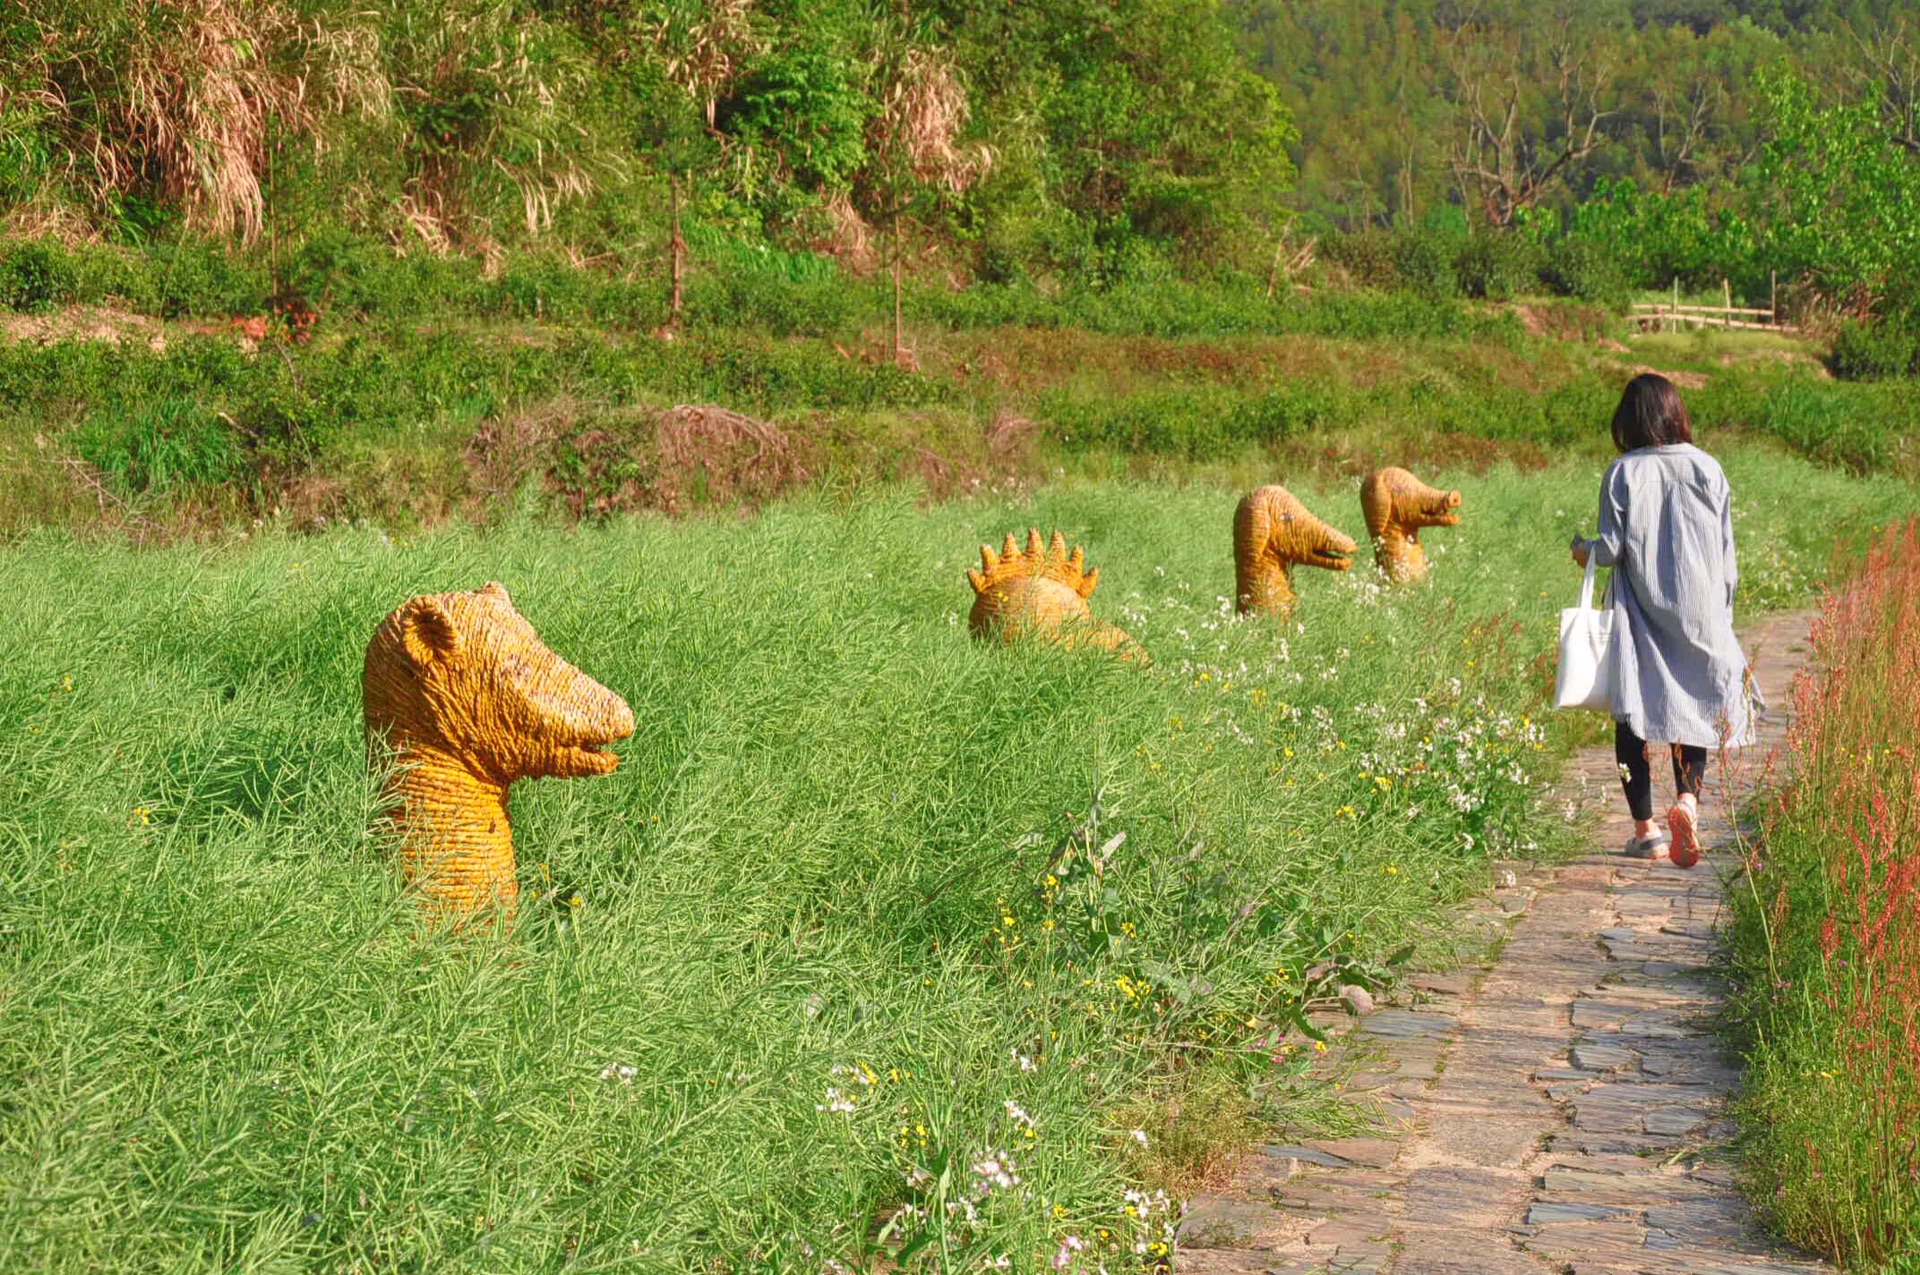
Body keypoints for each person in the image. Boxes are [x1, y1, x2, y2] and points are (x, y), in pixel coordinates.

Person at [1571, 373, 1756, 868]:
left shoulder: (1623, 471)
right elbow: (1726, 553)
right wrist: (1722, 615)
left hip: (1640, 611)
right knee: (1692, 702)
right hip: (1701, 610)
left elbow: (1610, 550)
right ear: (1676, 414)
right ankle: (1689, 802)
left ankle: (1646, 831)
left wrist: (1581, 550)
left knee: (1633, 712)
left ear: (1629, 420)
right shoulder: (1709, 468)